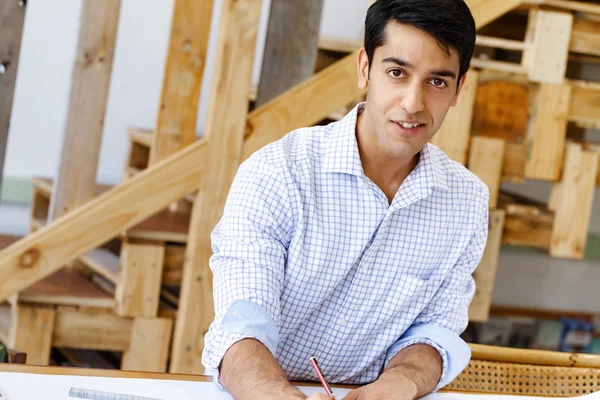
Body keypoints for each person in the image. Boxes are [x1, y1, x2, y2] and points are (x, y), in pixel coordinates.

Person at [203, 0, 487, 399]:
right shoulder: (278, 172)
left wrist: (400, 384)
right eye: (396, 72)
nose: (413, 103)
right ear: (364, 68)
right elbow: (241, 324)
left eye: (437, 82)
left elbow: (435, 330)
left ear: (459, 88)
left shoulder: (467, 202)